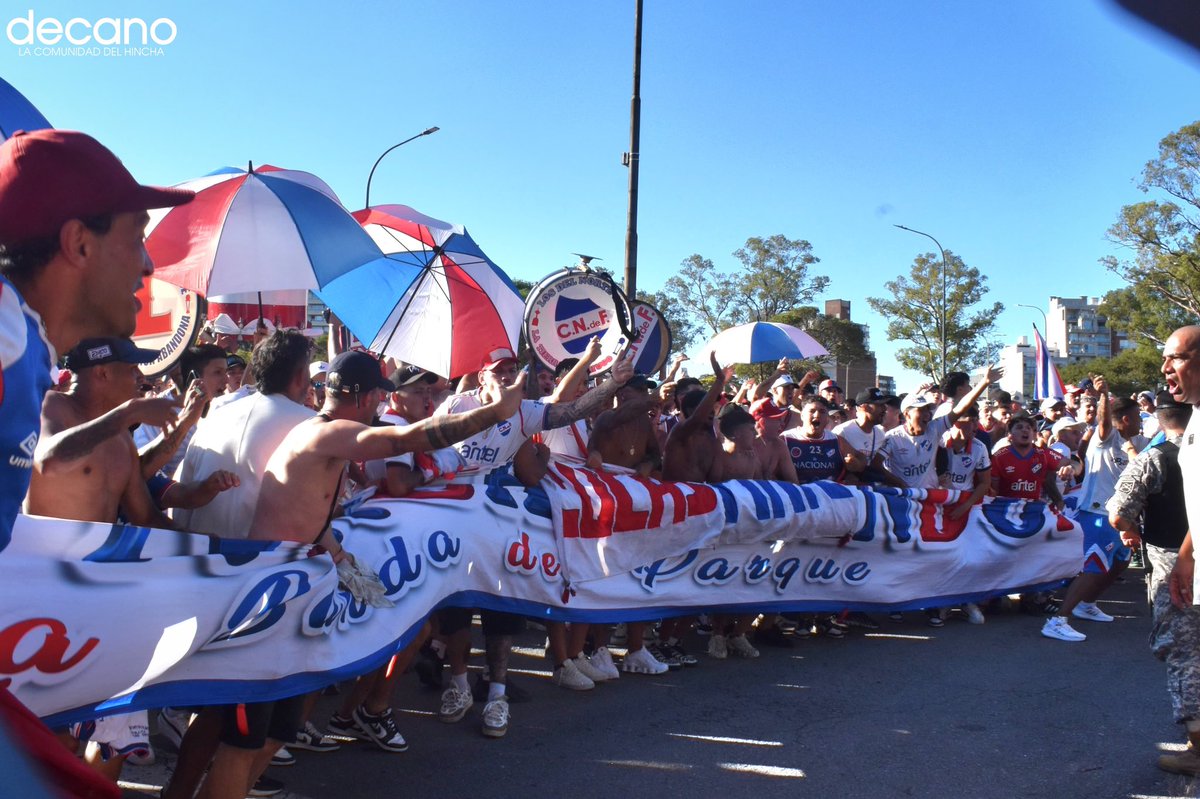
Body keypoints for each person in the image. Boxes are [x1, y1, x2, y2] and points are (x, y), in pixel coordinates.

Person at [433, 346, 635, 738]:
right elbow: (426, 449)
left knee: (502, 609)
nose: (508, 376)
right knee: (455, 608)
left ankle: (497, 695)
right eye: (499, 371)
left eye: (513, 369)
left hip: (500, 521)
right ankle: (457, 685)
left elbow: (568, 411)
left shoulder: (524, 412)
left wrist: (613, 382)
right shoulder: (455, 406)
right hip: (454, 520)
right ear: (481, 379)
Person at [1107, 392, 1198, 774]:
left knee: (1185, 653)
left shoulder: (1154, 459)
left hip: (1174, 565)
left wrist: (1134, 532)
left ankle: (1197, 748)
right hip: (1187, 552)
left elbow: (1118, 513)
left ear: (1159, 421)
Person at [1042, 376, 1147, 643]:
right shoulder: (1107, 438)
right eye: (1136, 417)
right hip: (1097, 513)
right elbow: (1102, 422)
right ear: (1123, 419)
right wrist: (1104, 396)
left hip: (1122, 516)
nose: (1140, 421)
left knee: (1121, 562)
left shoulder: (1139, 442)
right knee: (1095, 566)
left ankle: (1086, 603)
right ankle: (1057, 620)